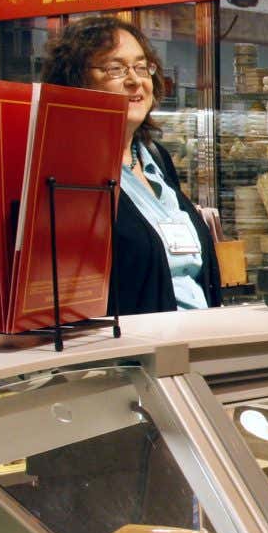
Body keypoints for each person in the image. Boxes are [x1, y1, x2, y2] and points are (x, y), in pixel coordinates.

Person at [42, 16, 221, 315]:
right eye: (115, 69)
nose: (135, 80)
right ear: (75, 82)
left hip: (197, 343)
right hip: (135, 352)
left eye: (141, 67)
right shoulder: (69, 172)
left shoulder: (157, 159)